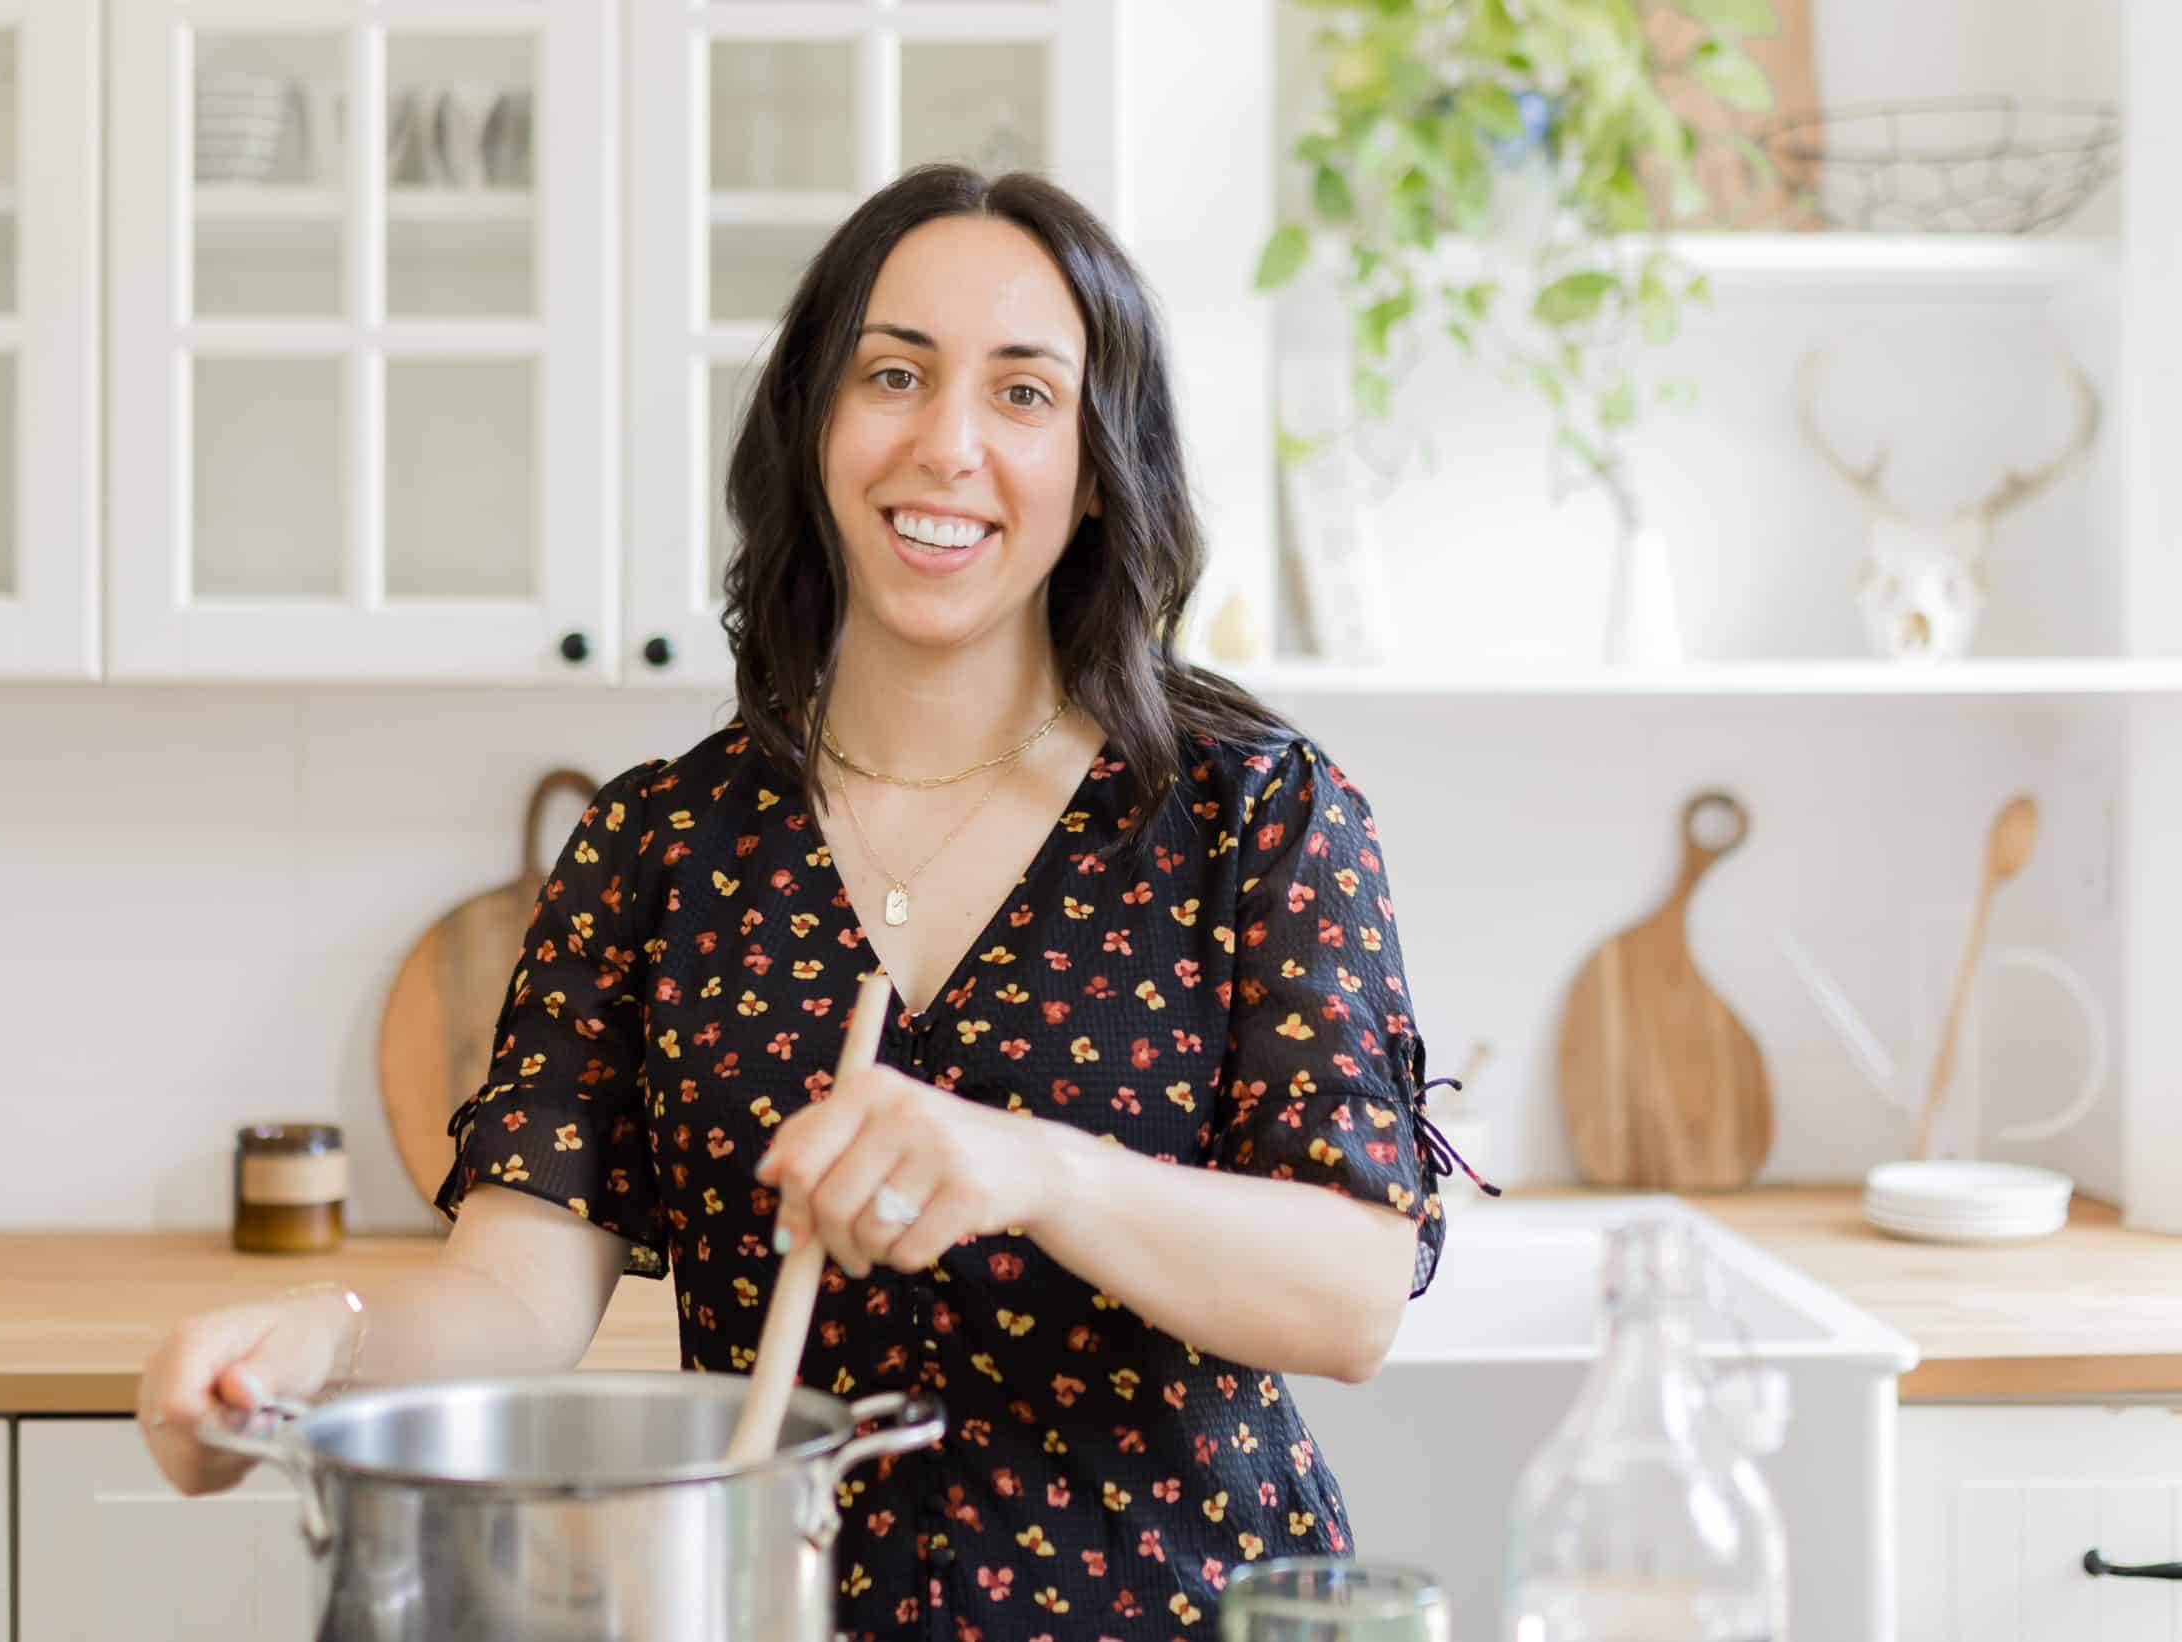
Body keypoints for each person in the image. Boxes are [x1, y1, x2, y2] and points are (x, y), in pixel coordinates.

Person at [139, 162, 1487, 1641]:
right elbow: (510, 1299)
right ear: (813, 425)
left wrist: (1036, 1168)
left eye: (1025, 394)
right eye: (892, 374)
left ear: (1097, 466)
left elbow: (1353, 1285)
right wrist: (310, 1348)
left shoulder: (1254, 817)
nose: (948, 443)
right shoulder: (662, 847)